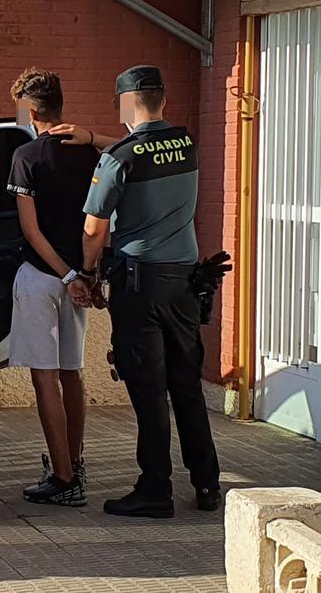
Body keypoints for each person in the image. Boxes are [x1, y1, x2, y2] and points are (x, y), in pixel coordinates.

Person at [76, 65, 222, 519]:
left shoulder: (119, 158)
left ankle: (155, 489)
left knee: (148, 390)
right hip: (184, 284)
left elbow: (94, 229)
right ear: (162, 99)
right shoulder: (186, 144)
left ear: (126, 103)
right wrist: (96, 138)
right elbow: (142, 150)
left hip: (139, 286)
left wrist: (87, 274)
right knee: (187, 387)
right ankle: (207, 485)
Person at [4, 69, 99, 507]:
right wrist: (85, 275)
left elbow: (31, 228)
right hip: (79, 276)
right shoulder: (91, 153)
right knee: (72, 374)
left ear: (32, 110)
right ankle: (75, 463)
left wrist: (63, 275)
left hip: (44, 277)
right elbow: (100, 223)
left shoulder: (26, 155)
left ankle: (63, 479)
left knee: (45, 377)